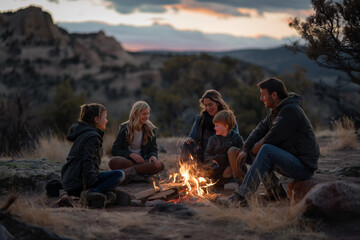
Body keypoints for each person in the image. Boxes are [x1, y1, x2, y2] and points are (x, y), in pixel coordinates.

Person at [218, 78, 319, 206]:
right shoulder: (276, 110)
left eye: (263, 94)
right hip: (290, 159)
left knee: (265, 150)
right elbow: (259, 130)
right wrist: (244, 149)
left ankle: (242, 196)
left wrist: (251, 150)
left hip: (303, 166)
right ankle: (275, 192)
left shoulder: (290, 111)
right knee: (235, 151)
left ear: (274, 95)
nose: (261, 98)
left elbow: (269, 139)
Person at [61, 103, 127, 209]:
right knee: (119, 174)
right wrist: (92, 183)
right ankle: (91, 193)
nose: (107, 120)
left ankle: (106, 194)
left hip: (70, 180)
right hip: (80, 182)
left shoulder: (83, 133)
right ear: (96, 119)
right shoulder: (92, 136)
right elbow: (87, 160)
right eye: (105, 118)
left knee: (107, 178)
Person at [108, 101, 164, 183]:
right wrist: (130, 154)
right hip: (128, 161)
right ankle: (140, 175)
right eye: (144, 114)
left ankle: (128, 174)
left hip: (143, 162)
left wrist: (153, 156)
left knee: (160, 165)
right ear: (136, 114)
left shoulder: (151, 129)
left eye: (148, 114)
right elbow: (115, 149)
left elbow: (153, 149)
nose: (147, 117)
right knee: (112, 162)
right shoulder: (124, 128)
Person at [181, 89, 239, 163]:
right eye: (206, 105)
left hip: (221, 154)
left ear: (218, 103)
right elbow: (193, 137)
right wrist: (190, 140)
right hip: (203, 153)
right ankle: (183, 170)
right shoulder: (200, 119)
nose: (208, 108)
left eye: (210, 105)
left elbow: (235, 140)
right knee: (187, 144)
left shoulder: (228, 118)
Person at [203, 110, 244, 183]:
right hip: (218, 167)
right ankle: (215, 182)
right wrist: (212, 159)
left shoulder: (236, 138)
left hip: (232, 167)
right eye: (214, 125)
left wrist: (231, 167)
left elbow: (242, 154)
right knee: (207, 167)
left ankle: (238, 181)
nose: (214, 128)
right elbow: (206, 154)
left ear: (226, 126)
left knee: (234, 154)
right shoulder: (213, 139)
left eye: (217, 125)